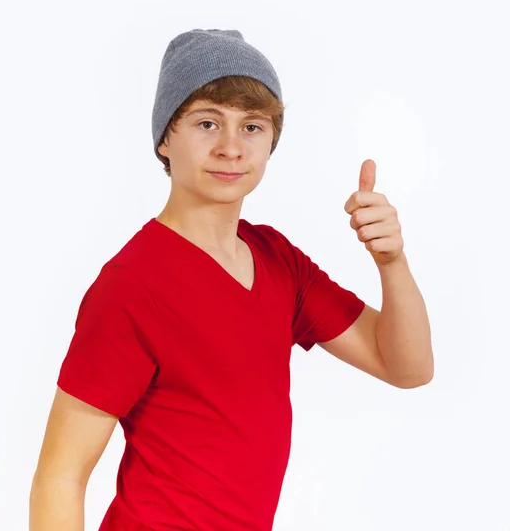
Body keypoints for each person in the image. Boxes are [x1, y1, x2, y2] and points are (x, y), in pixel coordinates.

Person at [29, 29, 434, 531]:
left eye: (252, 127)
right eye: (206, 122)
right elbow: (60, 478)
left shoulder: (277, 260)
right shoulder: (131, 286)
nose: (230, 148)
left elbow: (408, 367)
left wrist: (391, 263)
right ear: (164, 139)